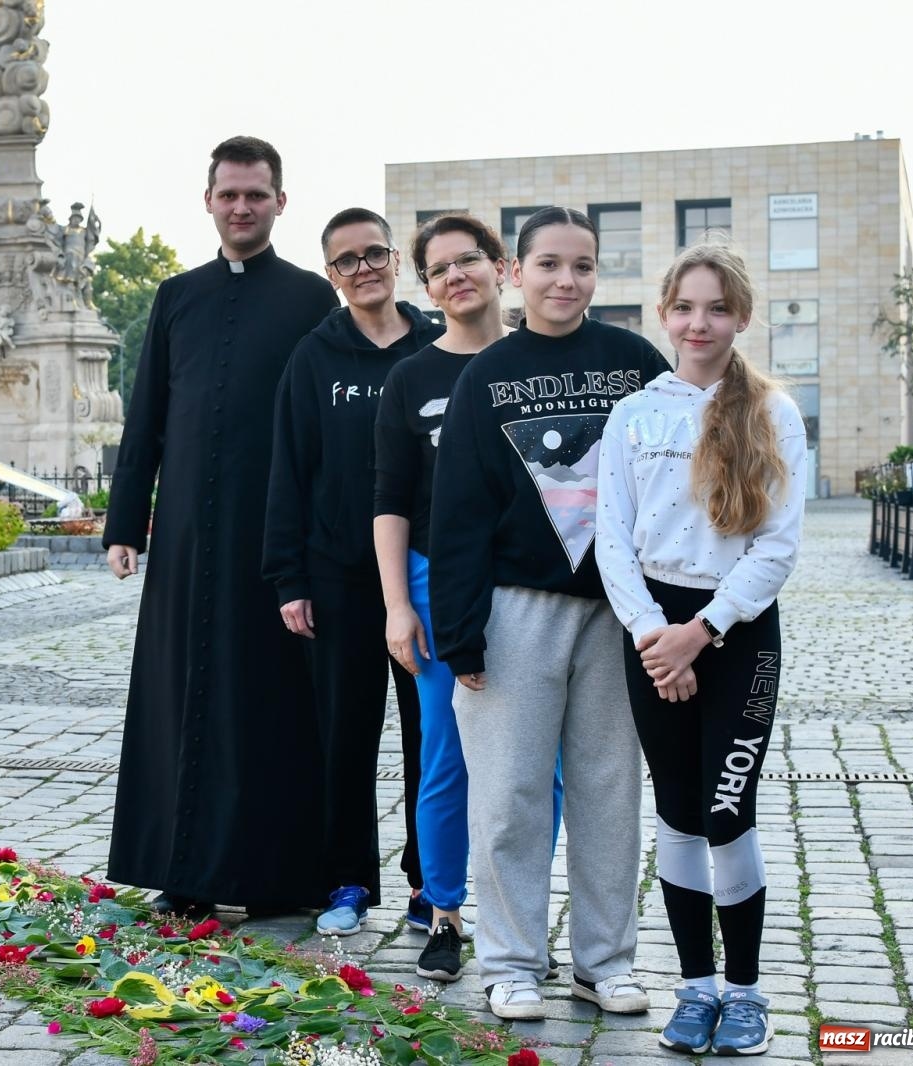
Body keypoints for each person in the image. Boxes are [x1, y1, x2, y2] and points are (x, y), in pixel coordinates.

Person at [429, 206, 669, 1021]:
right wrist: (458, 631)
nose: (567, 280)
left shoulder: (635, 362)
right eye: (550, 265)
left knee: (609, 794)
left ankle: (604, 963)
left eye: (583, 265)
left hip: (617, 613)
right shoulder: (485, 375)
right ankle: (510, 963)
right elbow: (455, 513)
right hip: (514, 612)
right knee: (509, 796)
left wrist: (669, 615)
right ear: (516, 272)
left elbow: (673, 489)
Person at [103, 136, 338, 916]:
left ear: (279, 202)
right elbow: (148, 417)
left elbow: (319, 422)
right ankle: (187, 872)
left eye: (256, 195)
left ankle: (273, 876)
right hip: (185, 539)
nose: (242, 207)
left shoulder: (311, 297)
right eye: (229, 194)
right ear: (209, 201)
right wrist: (125, 521)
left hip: (271, 536)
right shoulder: (174, 295)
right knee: (181, 699)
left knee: (268, 702)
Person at [596, 244, 806, 1055]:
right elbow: (611, 536)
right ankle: (695, 988)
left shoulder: (773, 414)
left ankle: (746, 993)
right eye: (685, 307)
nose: (699, 322)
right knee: (678, 813)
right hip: (653, 631)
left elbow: (778, 547)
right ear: (663, 313)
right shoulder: (634, 413)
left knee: (727, 812)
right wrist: (655, 635)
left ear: (741, 317)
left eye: (717, 308)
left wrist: (703, 632)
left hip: (737, 635)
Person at [371, 212, 564, 982]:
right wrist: (396, 604)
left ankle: (520, 918)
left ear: (501, 268)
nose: (457, 276)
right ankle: (444, 912)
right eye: (440, 268)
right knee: (446, 756)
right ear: (427, 287)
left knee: (537, 764)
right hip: (432, 579)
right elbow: (388, 500)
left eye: (470, 261)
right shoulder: (411, 378)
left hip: (530, 582)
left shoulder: (536, 361)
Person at [263, 207, 442, 936]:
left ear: (396, 261)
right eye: (347, 260)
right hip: (338, 575)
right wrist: (289, 577)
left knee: (429, 735)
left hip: (426, 572)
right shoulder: (315, 357)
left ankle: (432, 882)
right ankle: (347, 881)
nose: (363, 268)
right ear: (332, 275)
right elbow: (289, 470)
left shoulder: (437, 345)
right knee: (345, 732)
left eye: (375, 254)